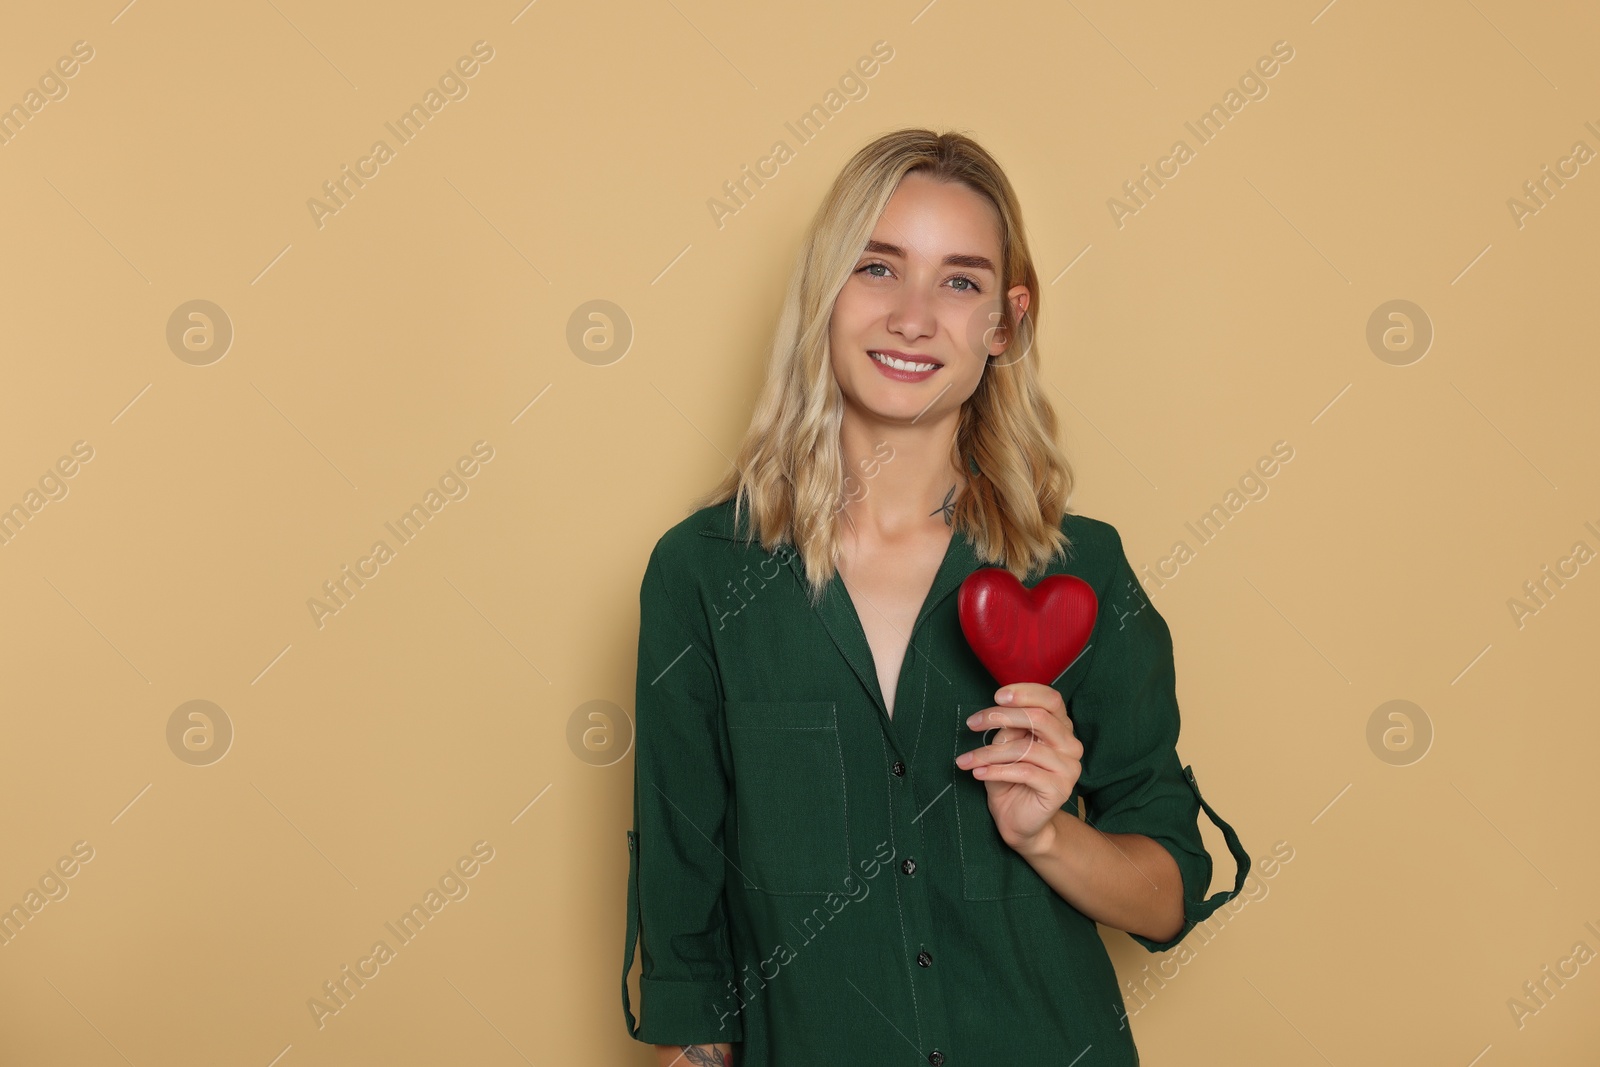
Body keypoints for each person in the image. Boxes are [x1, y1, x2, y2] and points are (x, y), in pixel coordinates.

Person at [621, 128, 1251, 1066]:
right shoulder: (702, 574)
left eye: (959, 281)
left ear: (1005, 323)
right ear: (824, 295)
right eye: (878, 268)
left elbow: (1165, 897)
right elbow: (684, 940)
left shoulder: (1085, 573)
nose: (914, 317)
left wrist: (1046, 837)